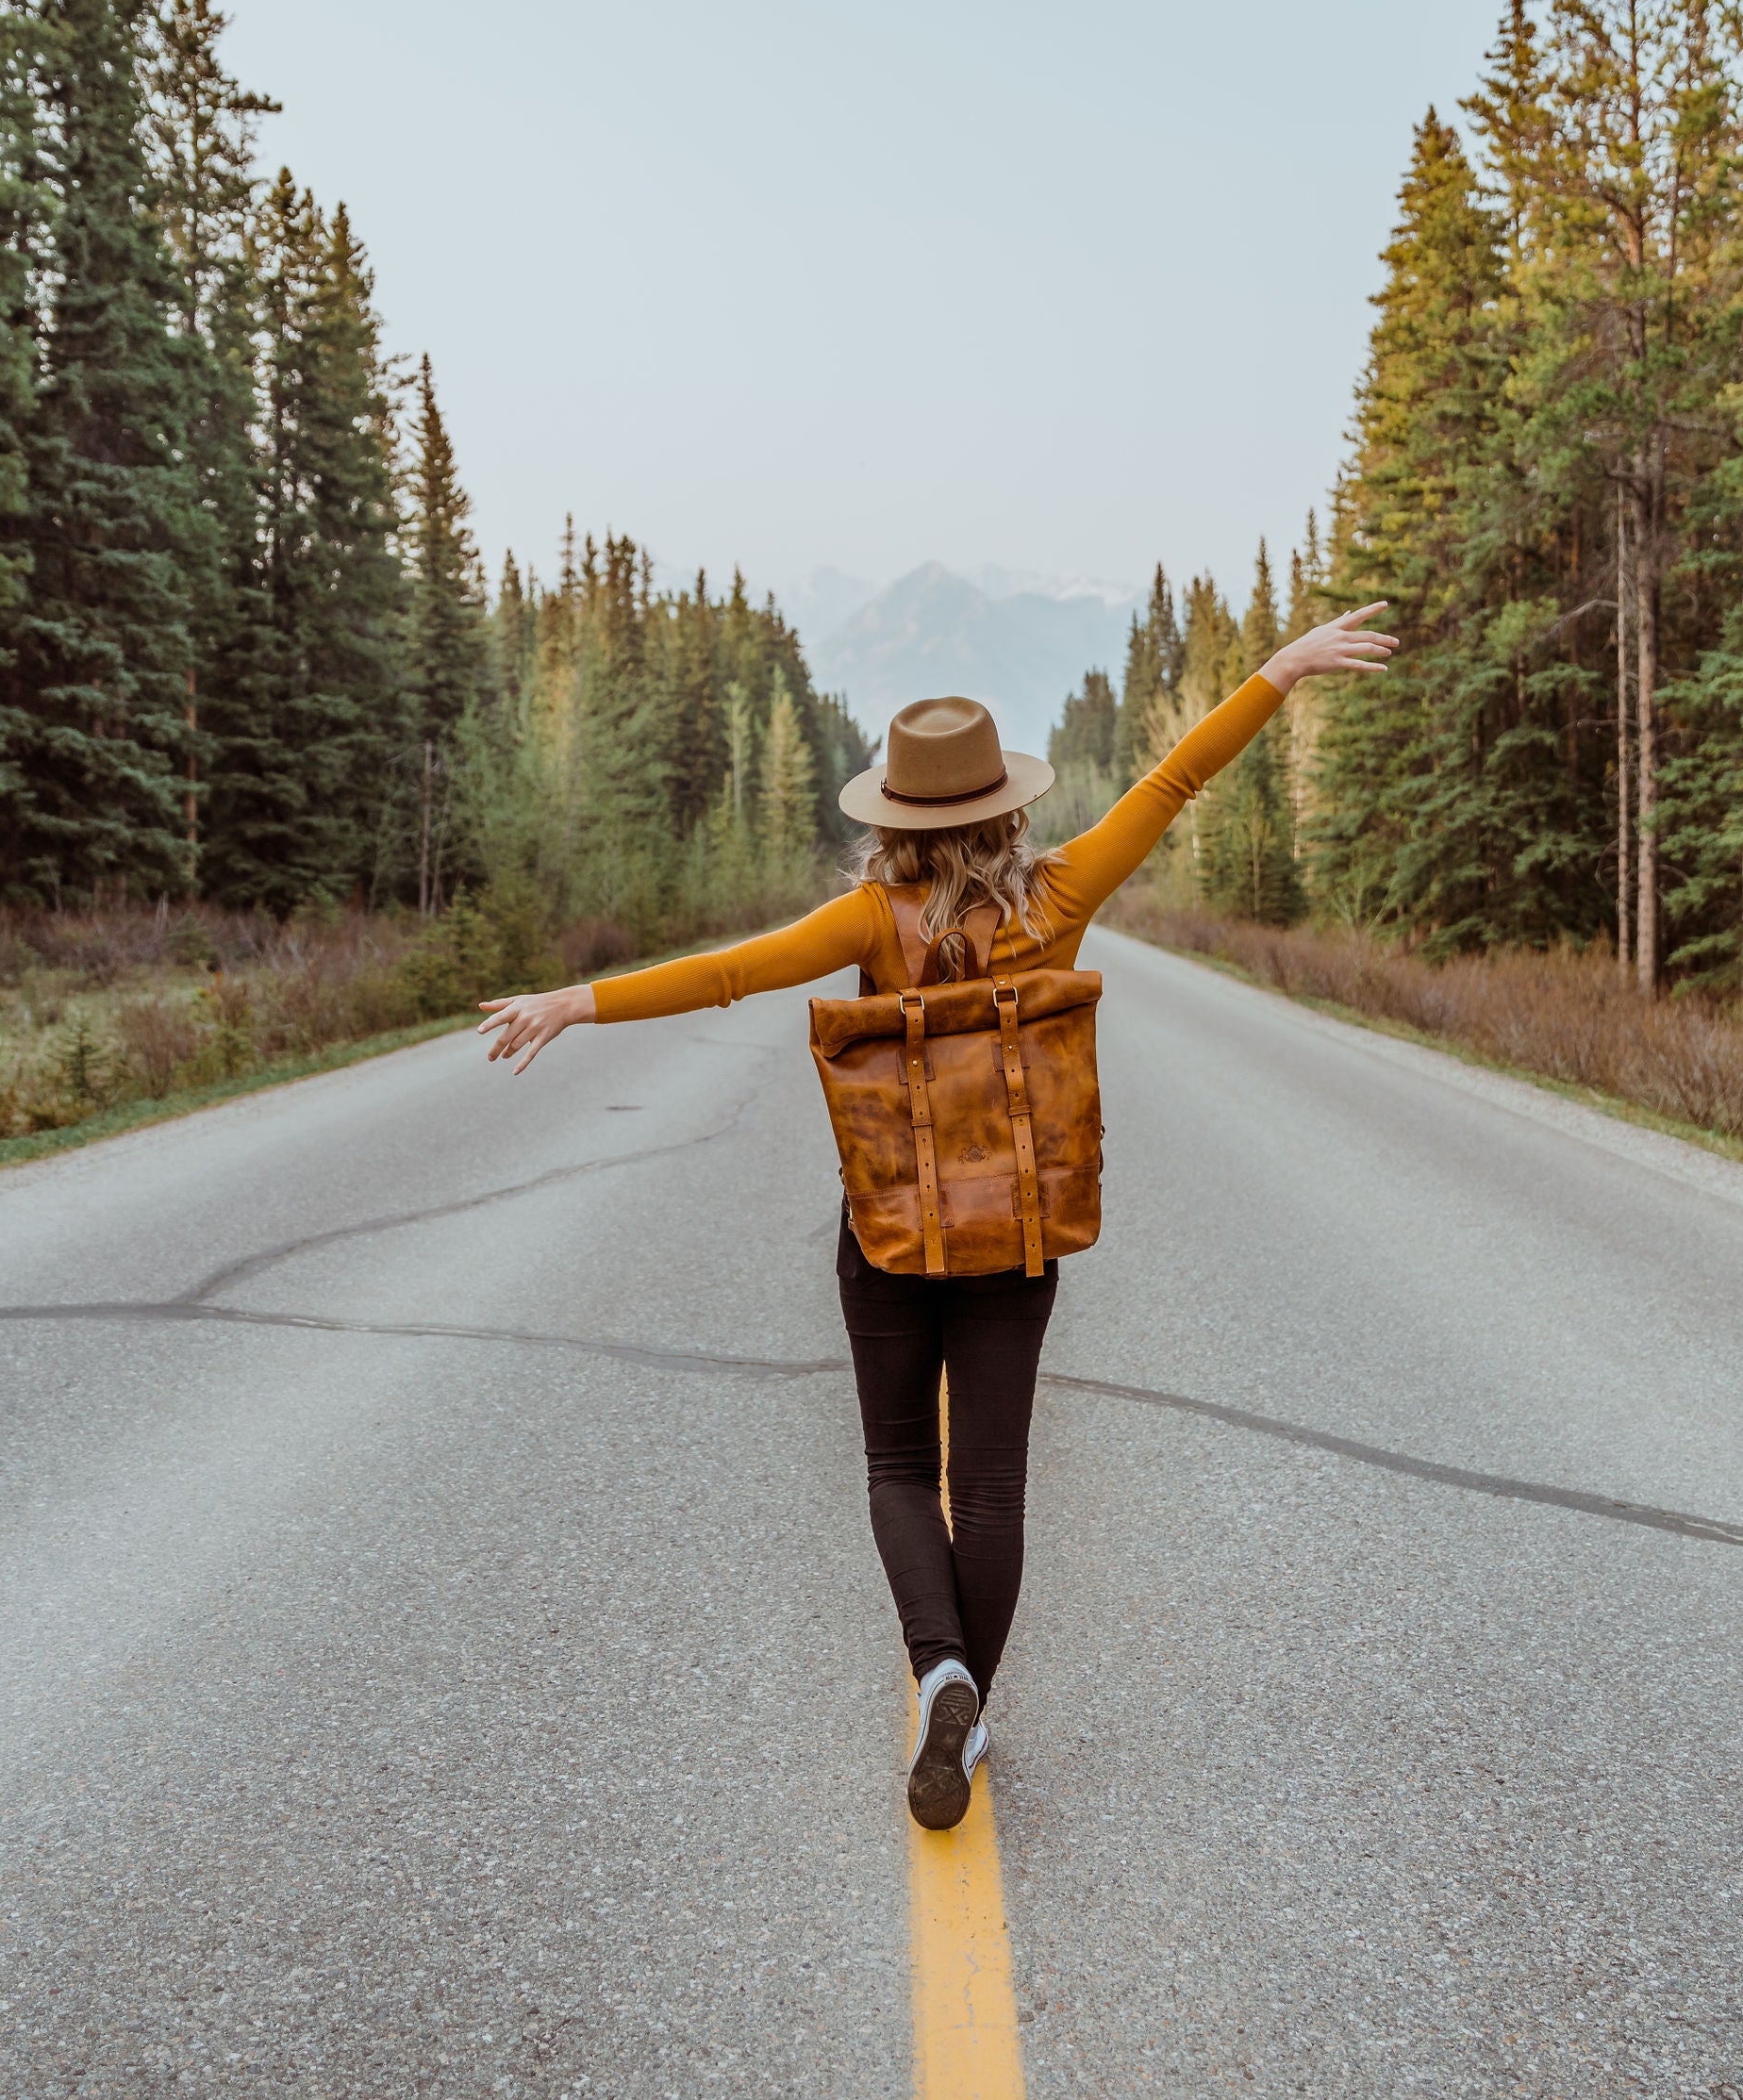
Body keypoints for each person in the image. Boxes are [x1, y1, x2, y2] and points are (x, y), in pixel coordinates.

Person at [477, 603, 1395, 1828]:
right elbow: (1173, 782)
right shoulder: (1058, 892)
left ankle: (942, 1674)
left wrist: (575, 1000)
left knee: (903, 1464)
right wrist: (1278, 671)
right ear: (1006, 807)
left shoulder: (873, 920)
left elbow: (733, 969)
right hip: (1014, 1234)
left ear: (898, 818)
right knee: (995, 1483)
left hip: (893, 1233)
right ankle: (965, 1712)